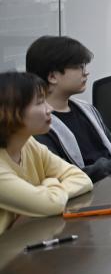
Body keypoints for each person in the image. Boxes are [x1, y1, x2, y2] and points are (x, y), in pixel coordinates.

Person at [26, 36, 111, 182]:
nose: (85, 72)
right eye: (78, 67)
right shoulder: (40, 126)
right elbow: (64, 178)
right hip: (87, 192)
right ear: (53, 76)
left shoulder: (86, 110)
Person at [0, 71, 92, 235]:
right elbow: (52, 204)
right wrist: (51, 185)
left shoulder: (29, 144)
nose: (49, 109)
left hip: (26, 238)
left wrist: (47, 189)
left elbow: (82, 178)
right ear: (10, 112)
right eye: (40, 102)